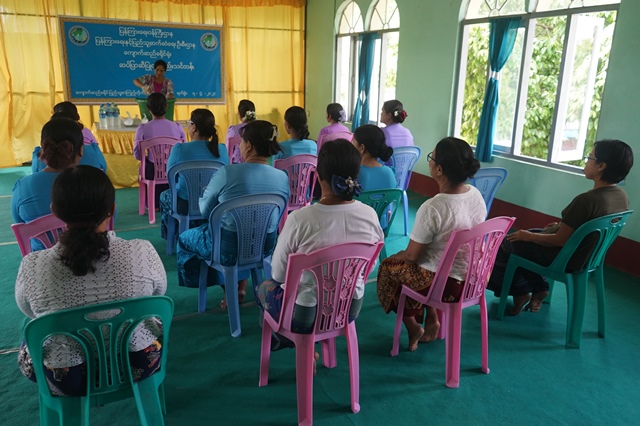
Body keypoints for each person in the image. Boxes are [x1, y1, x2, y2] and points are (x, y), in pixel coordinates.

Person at [15, 165, 167, 397]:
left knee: (30, 329)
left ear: (54, 211)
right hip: (138, 364)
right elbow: (158, 294)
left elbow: (28, 310)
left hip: (68, 379)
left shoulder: (32, 265)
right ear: (112, 209)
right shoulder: (142, 251)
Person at [256, 139, 384, 360]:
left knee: (263, 288)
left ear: (317, 176)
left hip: (305, 314)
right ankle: (307, 346)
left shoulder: (300, 219)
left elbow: (278, 274)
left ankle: (294, 343)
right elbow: (369, 266)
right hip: (348, 308)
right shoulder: (370, 215)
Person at [487, 140, 634, 315]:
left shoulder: (586, 200)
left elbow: (559, 240)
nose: (586, 162)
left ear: (601, 166)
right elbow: (588, 226)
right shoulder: (621, 196)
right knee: (525, 236)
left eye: (590, 158)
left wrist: (529, 236)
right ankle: (539, 288)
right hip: (588, 257)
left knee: (506, 244)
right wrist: (558, 226)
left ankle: (520, 293)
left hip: (566, 258)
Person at [377, 137, 486, 351]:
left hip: (447, 284)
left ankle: (412, 326)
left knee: (389, 268)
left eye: (431, 158)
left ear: (439, 169)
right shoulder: (475, 194)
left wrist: (398, 256)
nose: (429, 161)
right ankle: (432, 318)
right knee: (428, 261)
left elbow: (412, 256)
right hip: (475, 278)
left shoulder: (433, 207)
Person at [176, 120, 289, 307]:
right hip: (264, 246)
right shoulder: (282, 177)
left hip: (227, 249)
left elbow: (205, 211)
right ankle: (239, 283)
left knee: (187, 239)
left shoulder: (227, 173)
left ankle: (226, 284)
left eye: (242, 142)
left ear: (249, 145)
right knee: (228, 235)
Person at [12, 117, 84, 251]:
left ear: (43, 149)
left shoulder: (22, 187)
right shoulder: (95, 184)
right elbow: (107, 224)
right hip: (88, 257)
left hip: (40, 260)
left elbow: (20, 225)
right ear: (81, 150)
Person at [159, 108, 230, 239]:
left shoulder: (180, 149)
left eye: (189, 123)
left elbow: (170, 177)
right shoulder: (222, 149)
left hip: (185, 205)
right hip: (214, 204)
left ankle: (172, 236)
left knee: (164, 195)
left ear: (194, 127)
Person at [133, 93, 186, 206]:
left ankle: (153, 204)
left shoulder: (142, 128)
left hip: (152, 172)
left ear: (148, 109)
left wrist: (147, 158)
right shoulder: (177, 127)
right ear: (166, 106)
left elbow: (137, 154)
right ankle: (173, 201)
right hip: (173, 170)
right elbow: (183, 150)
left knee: (146, 164)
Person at [32, 109, 107, 173]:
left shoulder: (27, 182)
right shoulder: (93, 149)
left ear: (43, 144)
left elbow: (35, 172)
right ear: (81, 150)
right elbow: (104, 167)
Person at [226, 99, 257, 164]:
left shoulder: (233, 130)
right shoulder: (262, 129)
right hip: (259, 166)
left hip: (236, 167)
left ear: (239, 114)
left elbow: (228, 151)